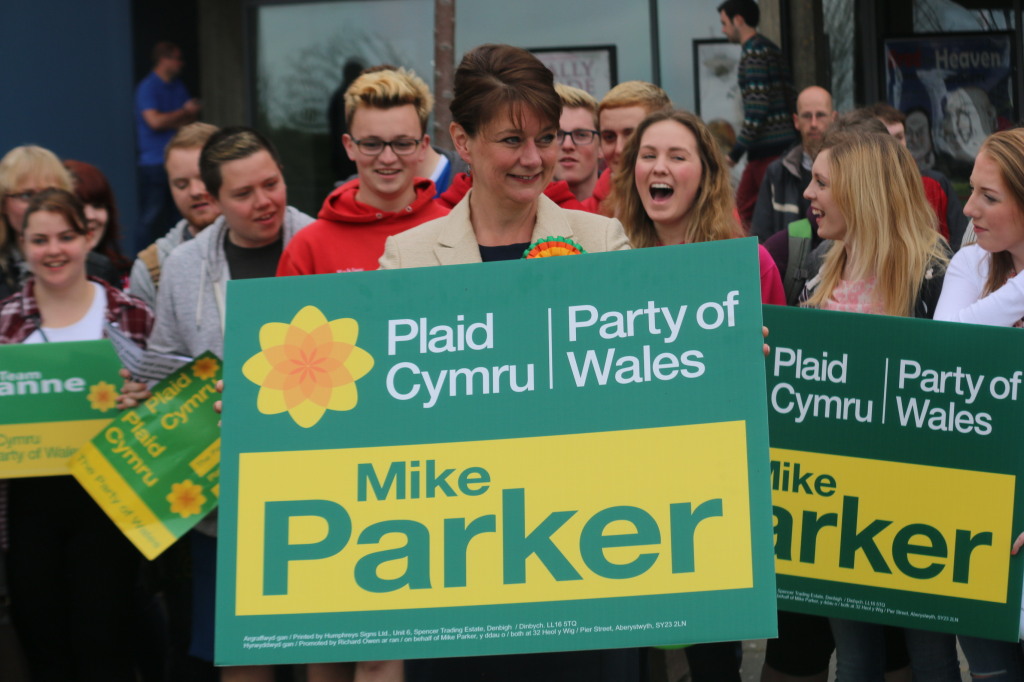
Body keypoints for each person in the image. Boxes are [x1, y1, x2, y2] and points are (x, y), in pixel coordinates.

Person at [379, 44, 634, 681]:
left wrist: (722, 354)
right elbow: (378, 403)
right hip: (457, 563)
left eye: (546, 138)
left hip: (584, 552)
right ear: (461, 141)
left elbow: (645, 377)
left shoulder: (602, 243)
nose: (535, 158)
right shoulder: (407, 258)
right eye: (512, 140)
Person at [124, 126, 315, 682]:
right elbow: (163, 369)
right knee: (241, 657)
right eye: (244, 193)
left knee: (324, 655)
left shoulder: (319, 240)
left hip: (322, 491)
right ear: (214, 199)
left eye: (272, 184)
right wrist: (163, 390)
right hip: (228, 504)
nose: (264, 202)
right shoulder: (184, 266)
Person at [614, 108, 784, 682]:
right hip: (620, 497)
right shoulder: (605, 262)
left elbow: (781, 388)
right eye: (648, 155)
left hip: (711, 500)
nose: (659, 167)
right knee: (636, 659)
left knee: (713, 662)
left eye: (676, 156)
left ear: (706, 173)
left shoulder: (748, 265)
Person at [800, 131, 956, 680]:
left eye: (821, 183)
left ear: (862, 192)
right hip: (839, 505)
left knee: (932, 656)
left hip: (922, 505)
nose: (807, 195)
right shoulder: (818, 269)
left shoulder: (937, 278)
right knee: (856, 658)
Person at [0, 188, 153, 681]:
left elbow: (169, 405)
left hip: (110, 508)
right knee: (45, 650)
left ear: (89, 236)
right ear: (22, 245)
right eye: (40, 239)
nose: (54, 250)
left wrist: (144, 403)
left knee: (105, 648)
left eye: (66, 236)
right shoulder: (5, 323)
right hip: (26, 511)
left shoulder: (128, 315)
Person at [933, 128, 1024, 681]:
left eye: (989, 197)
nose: (968, 209)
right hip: (978, 526)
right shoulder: (971, 264)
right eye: (972, 191)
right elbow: (946, 352)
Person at [277, 67, 449, 276]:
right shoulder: (308, 248)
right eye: (371, 144)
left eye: (402, 144)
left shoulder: (455, 233)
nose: (388, 158)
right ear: (349, 146)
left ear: (423, 147)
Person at [0, 145, 120, 298]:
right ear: (3, 204)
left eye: (49, 193)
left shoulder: (99, 269)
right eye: (26, 195)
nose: (39, 203)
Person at [718, 0, 797, 229]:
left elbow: (757, 109)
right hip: (784, 147)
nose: (723, 30)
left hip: (765, 153)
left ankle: (753, 263)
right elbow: (790, 95)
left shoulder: (752, 53)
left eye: (724, 23)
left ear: (738, 20)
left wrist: (735, 153)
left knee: (741, 216)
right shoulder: (771, 48)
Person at [130, 122, 221, 310]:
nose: (195, 191)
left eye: (204, 178)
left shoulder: (272, 240)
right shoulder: (151, 267)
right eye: (181, 184)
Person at [869, 102, 969, 247]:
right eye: (887, 138)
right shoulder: (861, 190)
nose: (895, 145)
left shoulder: (934, 183)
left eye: (899, 137)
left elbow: (962, 245)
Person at [135, 40, 201, 252]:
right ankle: (143, 263)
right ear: (164, 59)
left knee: (181, 215)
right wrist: (184, 112)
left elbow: (187, 124)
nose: (181, 64)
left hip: (177, 163)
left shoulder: (178, 86)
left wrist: (176, 118)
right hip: (154, 164)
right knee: (151, 218)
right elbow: (154, 122)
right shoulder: (148, 87)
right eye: (177, 58)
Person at [751, 85, 837, 243]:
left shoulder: (845, 170)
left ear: (834, 118)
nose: (813, 123)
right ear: (796, 121)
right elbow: (760, 237)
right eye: (806, 116)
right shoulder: (777, 173)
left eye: (820, 115)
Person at [582, 80, 671, 216]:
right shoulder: (583, 216)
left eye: (631, 135)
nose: (619, 149)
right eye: (609, 137)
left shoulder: (702, 211)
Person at [64, 159, 132, 281]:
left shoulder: (127, 273)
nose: (90, 216)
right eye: (79, 206)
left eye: (98, 206)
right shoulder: (42, 275)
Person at [553, 83, 602, 202]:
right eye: (557, 135)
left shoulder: (627, 209)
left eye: (581, 135)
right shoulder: (521, 214)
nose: (567, 145)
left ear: (601, 146)